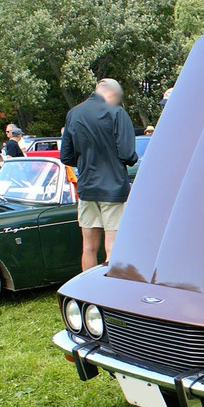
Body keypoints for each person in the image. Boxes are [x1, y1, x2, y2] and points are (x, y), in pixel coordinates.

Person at [61, 78, 138, 271]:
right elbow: (128, 154)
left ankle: (89, 294)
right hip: (113, 188)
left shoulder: (74, 113)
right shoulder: (117, 113)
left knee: (88, 247)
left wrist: (86, 162)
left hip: (87, 187)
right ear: (112, 93)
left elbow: (66, 156)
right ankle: (111, 294)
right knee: (112, 248)